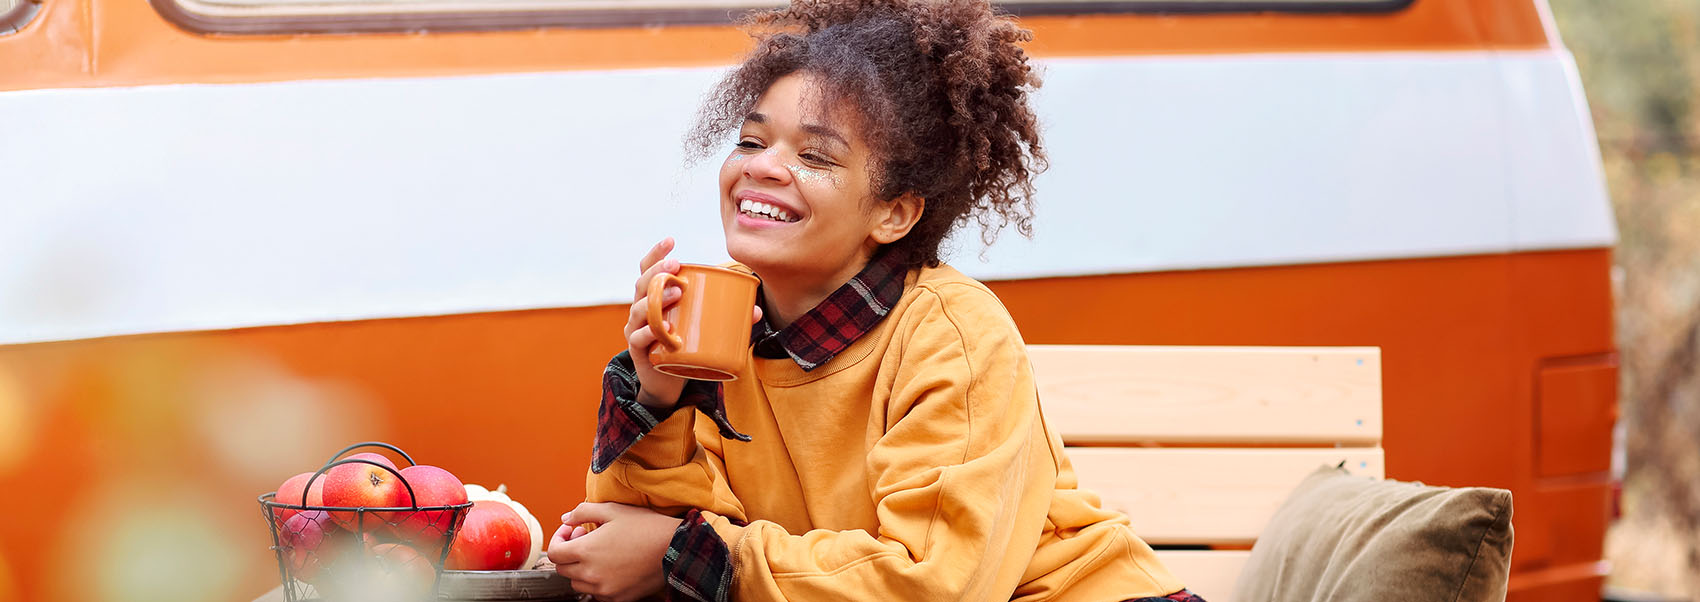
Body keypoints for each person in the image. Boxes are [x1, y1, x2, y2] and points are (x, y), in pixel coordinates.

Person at [546, 0, 1202, 600]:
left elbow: (934, 583)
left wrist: (693, 555)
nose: (763, 166)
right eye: (751, 140)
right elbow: (641, 535)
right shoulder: (725, 324)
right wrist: (656, 397)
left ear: (893, 213)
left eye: (816, 156)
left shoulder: (951, 330)